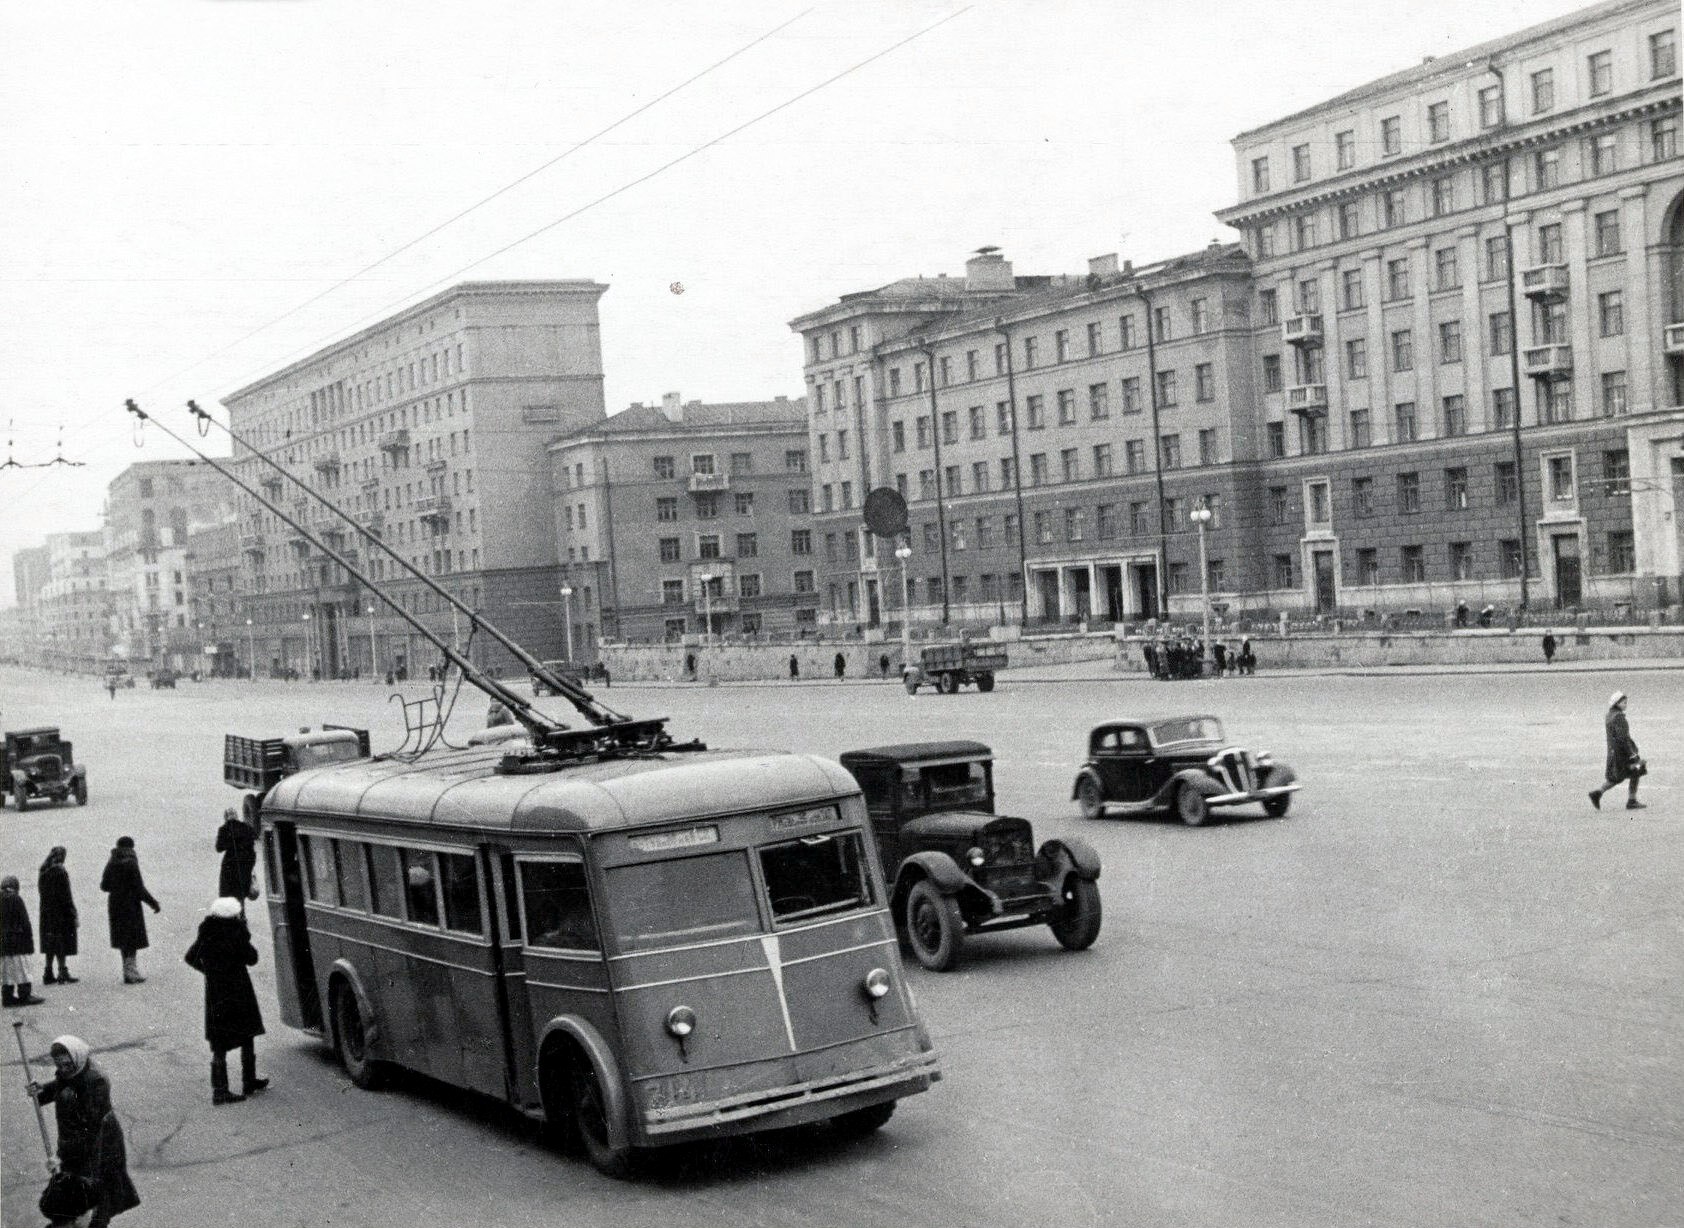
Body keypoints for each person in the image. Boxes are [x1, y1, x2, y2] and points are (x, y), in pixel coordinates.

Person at [29, 1035, 141, 1226]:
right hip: (77, 1145)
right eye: (59, 1065)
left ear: (77, 1057)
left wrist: (61, 1156)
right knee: (78, 1196)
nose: (63, 1069)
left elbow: (90, 1132)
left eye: (67, 1065)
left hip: (100, 1147)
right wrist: (42, 1091)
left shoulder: (95, 1082)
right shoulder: (74, 1073)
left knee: (94, 1196)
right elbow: (62, 1086)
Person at [184, 898, 269, 1104]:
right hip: (240, 991)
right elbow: (253, 958)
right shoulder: (236, 933)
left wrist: (210, 972)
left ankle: (220, 1089)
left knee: (219, 1041)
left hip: (216, 993)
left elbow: (190, 957)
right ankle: (248, 1080)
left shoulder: (207, 932)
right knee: (247, 1034)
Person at [100, 837, 160, 984]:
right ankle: (131, 971)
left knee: (122, 937)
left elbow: (104, 886)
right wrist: (153, 903)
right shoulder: (131, 862)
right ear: (131, 847)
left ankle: (127, 971)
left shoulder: (111, 862)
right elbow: (139, 887)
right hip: (130, 903)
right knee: (132, 937)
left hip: (115, 903)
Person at [1589, 691, 1645, 811]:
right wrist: (1633, 754)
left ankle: (1598, 793)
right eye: (1623, 702)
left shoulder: (1610, 715)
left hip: (1615, 753)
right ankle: (1631, 800)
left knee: (1618, 776)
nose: (1626, 705)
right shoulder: (1619, 717)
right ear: (1617, 703)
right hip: (1623, 754)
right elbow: (1623, 738)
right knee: (1634, 771)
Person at [2, 875, 45, 1006]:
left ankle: (7, 997)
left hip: (3, 944)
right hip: (18, 942)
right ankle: (24, 994)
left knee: (7, 971)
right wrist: (30, 943)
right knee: (23, 970)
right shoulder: (16, 899)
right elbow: (25, 922)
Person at [38, 846, 79, 985]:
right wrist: (73, 912)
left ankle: (48, 972)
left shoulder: (43, 872)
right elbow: (66, 896)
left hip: (46, 913)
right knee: (62, 941)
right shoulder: (60, 872)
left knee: (50, 941)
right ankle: (62, 971)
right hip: (61, 913)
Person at [216, 807, 258, 902]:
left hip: (229, 867)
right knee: (240, 895)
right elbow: (254, 838)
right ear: (237, 816)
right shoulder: (247, 827)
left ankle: (230, 914)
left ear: (226, 818)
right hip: (245, 867)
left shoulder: (223, 829)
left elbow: (219, 848)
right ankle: (241, 914)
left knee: (227, 895)